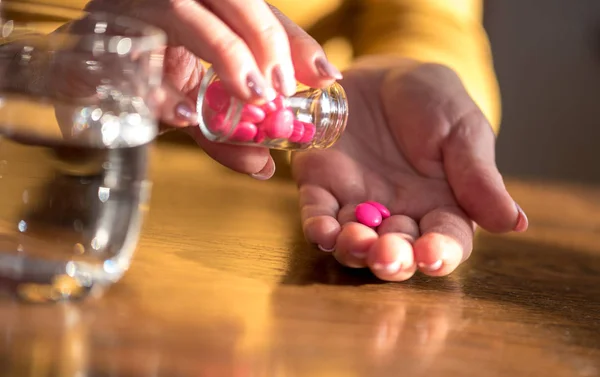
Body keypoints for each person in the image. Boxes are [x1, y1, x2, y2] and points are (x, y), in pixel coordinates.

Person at [2, 0, 528, 281]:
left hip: (264, 273)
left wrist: (408, 66)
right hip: (39, 220)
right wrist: (39, 64)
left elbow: (431, 16)